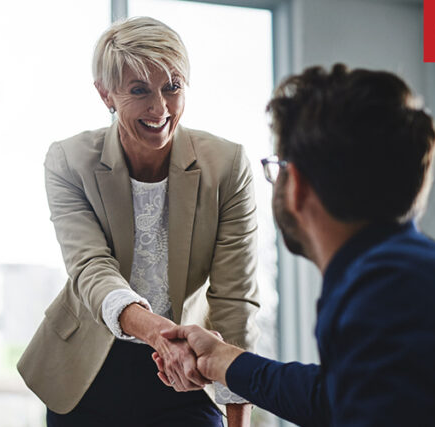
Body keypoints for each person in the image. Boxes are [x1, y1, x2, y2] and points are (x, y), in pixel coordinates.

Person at [158, 64, 435, 426]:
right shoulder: (414, 273)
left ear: (298, 185)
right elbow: (337, 397)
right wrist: (224, 360)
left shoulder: (386, 291)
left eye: (278, 167)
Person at [17, 16, 260, 426]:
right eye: (139, 90)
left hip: (185, 372)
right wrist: (161, 336)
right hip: (85, 371)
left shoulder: (227, 165)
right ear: (105, 94)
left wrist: (238, 418)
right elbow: (91, 269)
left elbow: (235, 300)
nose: (160, 108)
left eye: (173, 87)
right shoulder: (69, 161)